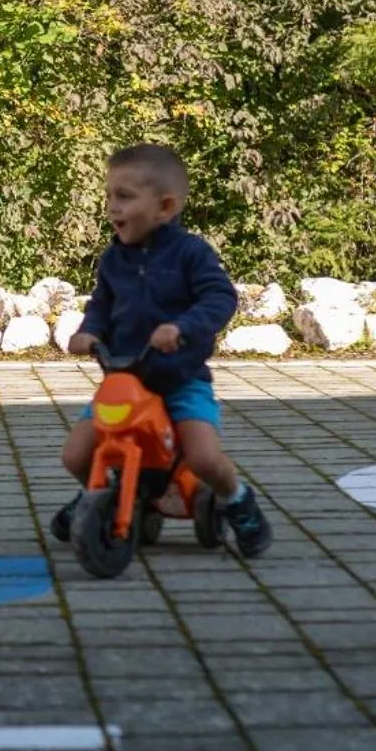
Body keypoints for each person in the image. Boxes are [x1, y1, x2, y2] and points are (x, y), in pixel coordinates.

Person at [52, 143, 270, 556]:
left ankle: (237, 500)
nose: (112, 207)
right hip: (125, 379)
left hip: (180, 380)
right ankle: (108, 497)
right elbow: (101, 306)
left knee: (204, 458)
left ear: (165, 206)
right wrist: (88, 332)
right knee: (77, 454)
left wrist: (182, 328)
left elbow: (220, 298)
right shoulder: (113, 260)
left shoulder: (191, 254)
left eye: (125, 196)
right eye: (110, 196)